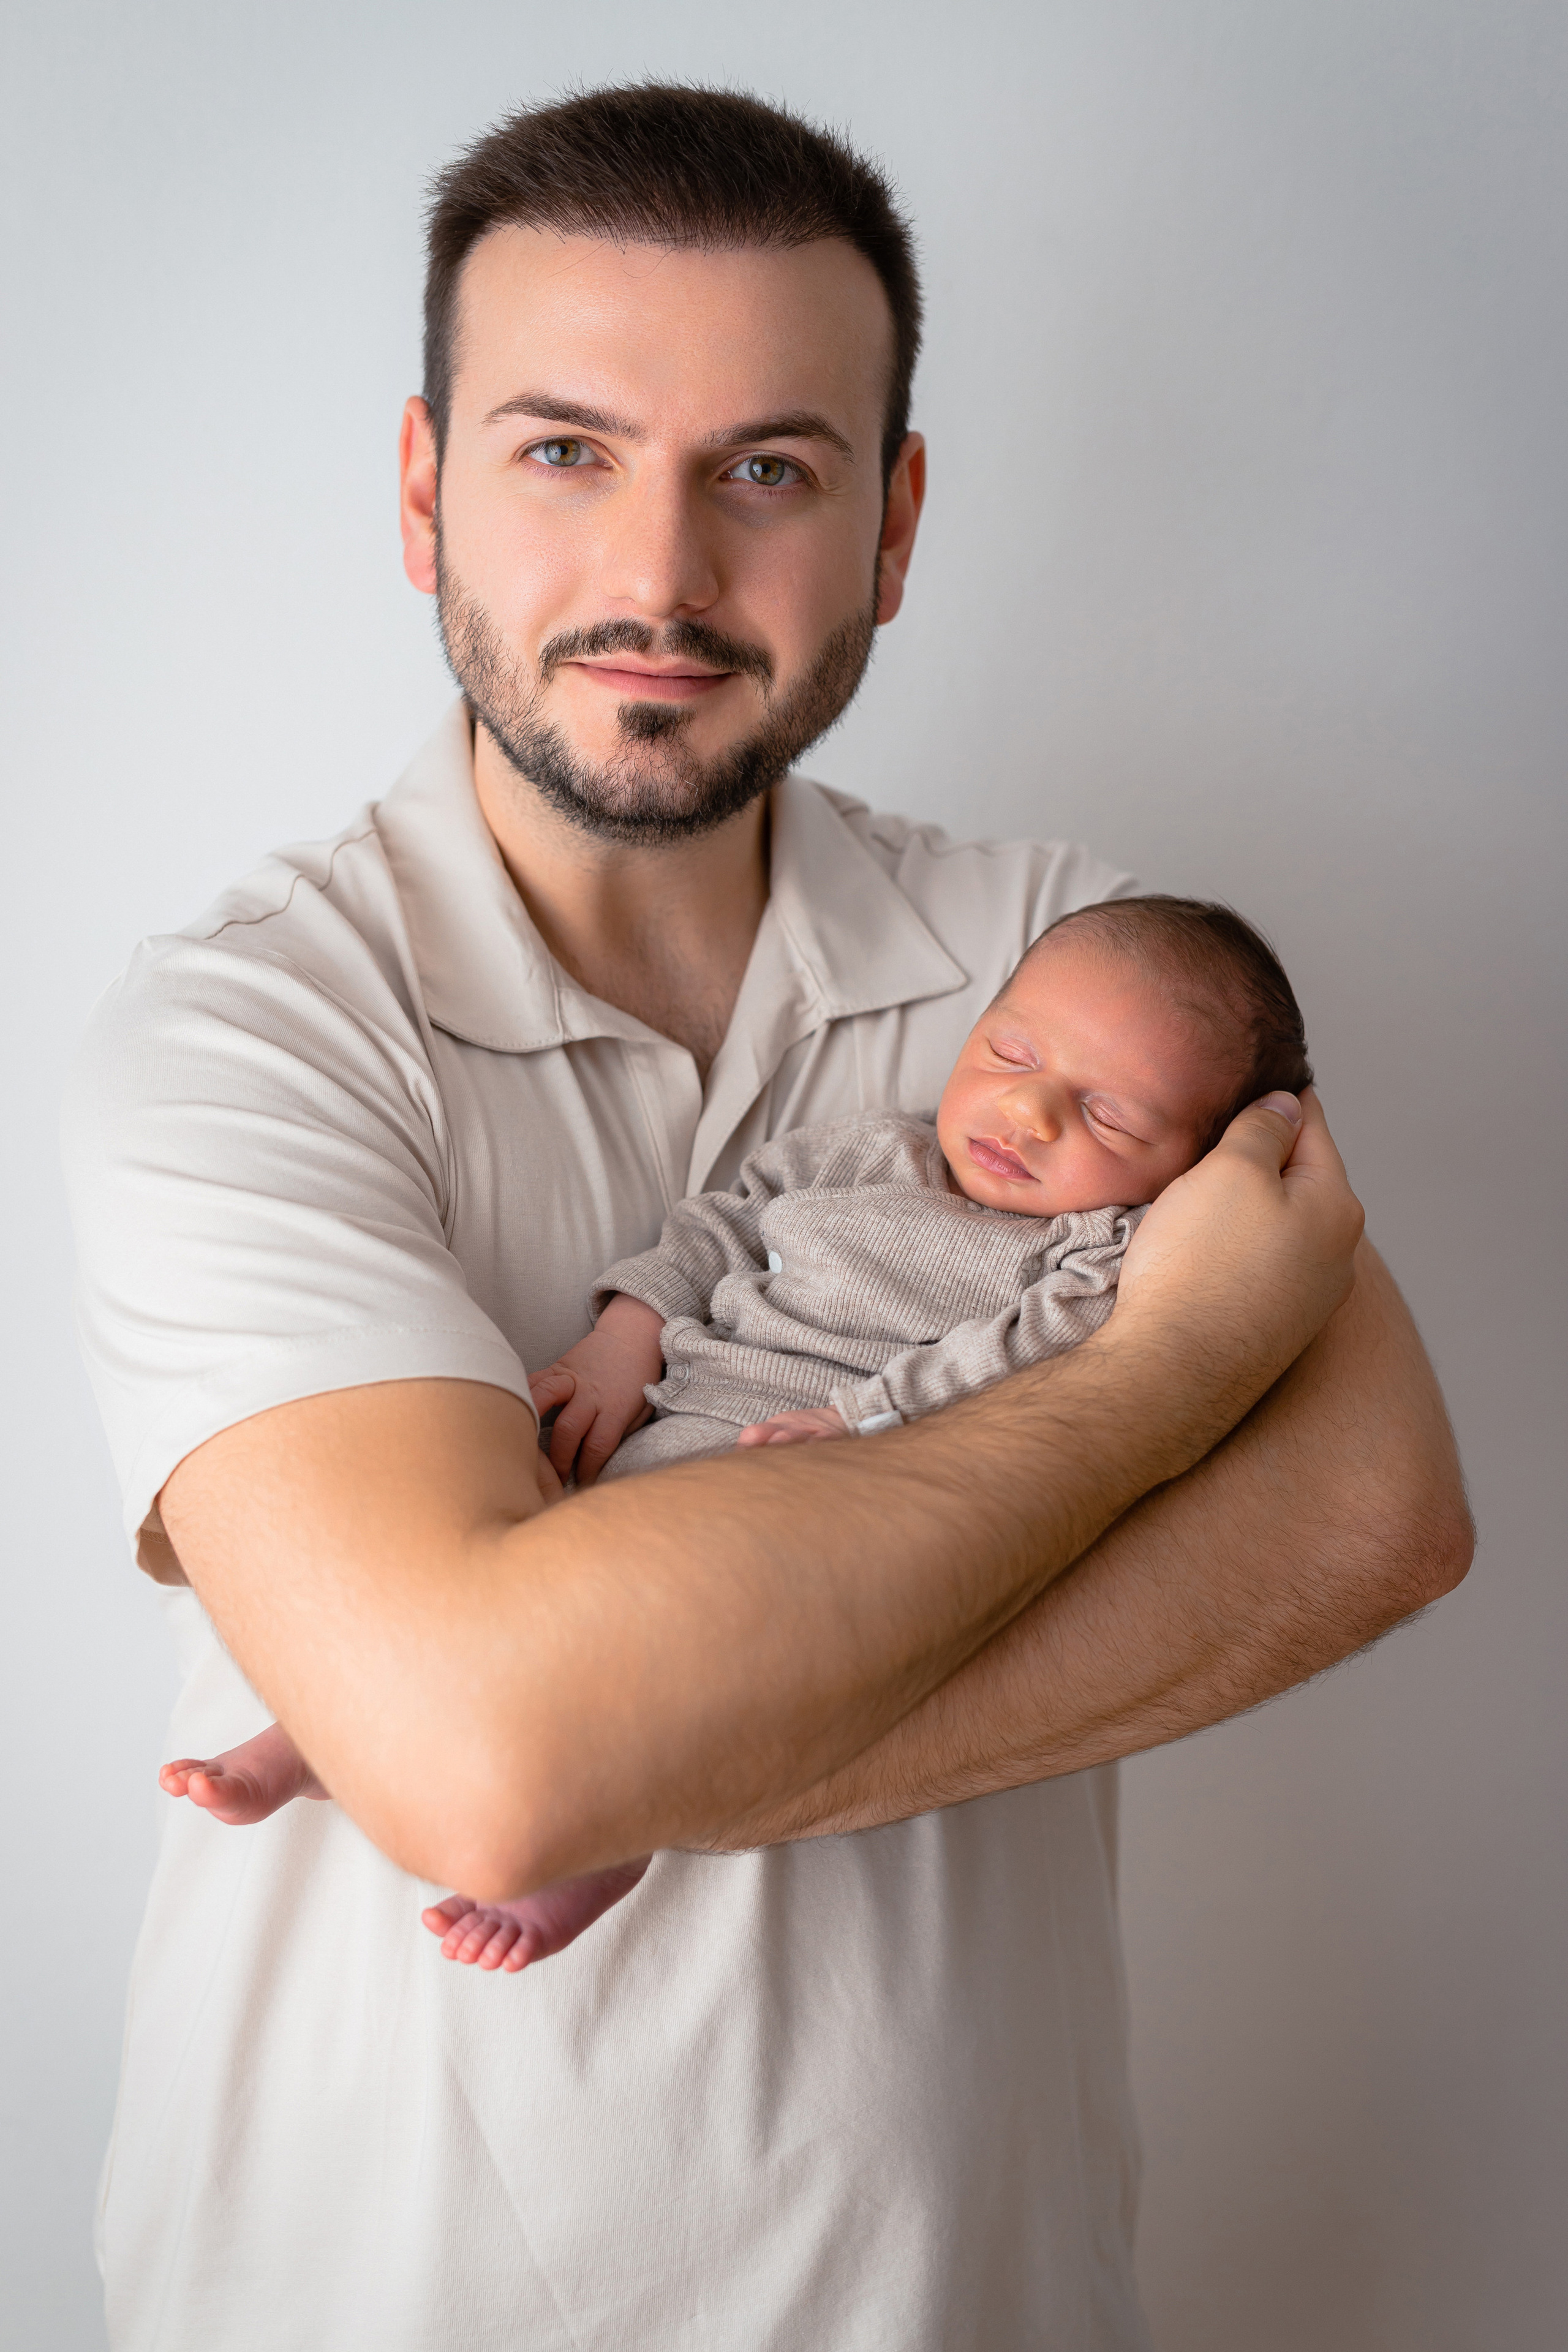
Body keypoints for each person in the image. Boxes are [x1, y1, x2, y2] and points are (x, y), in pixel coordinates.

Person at [64, 83, 1470, 2352]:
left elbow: (1381, 1516)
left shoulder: (1087, 966)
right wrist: (1179, 1368)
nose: (663, 576)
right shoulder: (248, 1036)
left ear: (895, 522)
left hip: (976, 2304)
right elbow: (486, 1768)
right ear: (422, 495)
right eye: (562, 451)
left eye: (768, 470)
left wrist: (623, 1694)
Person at [157, 891, 1317, 1979]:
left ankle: (603, 1848)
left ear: (1200, 1168)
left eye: (1113, 1113)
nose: (1031, 1110)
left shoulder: (1094, 1256)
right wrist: (628, 1335)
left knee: (667, 1664)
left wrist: (866, 1425)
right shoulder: (872, 1151)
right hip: (663, 1422)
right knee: (460, 1561)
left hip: (832, 1475)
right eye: (1012, 1053)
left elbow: (1023, 1366)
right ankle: (315, 1728)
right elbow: (721, 1227)